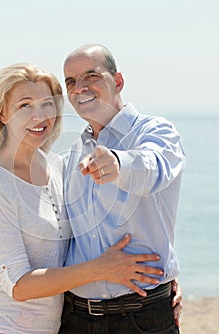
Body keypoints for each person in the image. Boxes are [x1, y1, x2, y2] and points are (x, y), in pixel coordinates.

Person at [0, 62, 166, 333]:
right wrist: (101, 268)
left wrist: (165, 285)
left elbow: (86, 233)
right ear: (2, 113)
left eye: (47, 104)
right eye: (25, 105)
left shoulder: (59, 168)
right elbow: (19, 286)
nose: (40, 115)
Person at [57, 44, 185, 333]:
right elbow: (54, 227)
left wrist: (118, 163)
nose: (80, 88)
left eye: (91, 76)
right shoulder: (70, 159)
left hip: (142, 316)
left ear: (117, 82)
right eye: (71, 81)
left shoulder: (155, 131)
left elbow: (154, 167)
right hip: (75, 318)